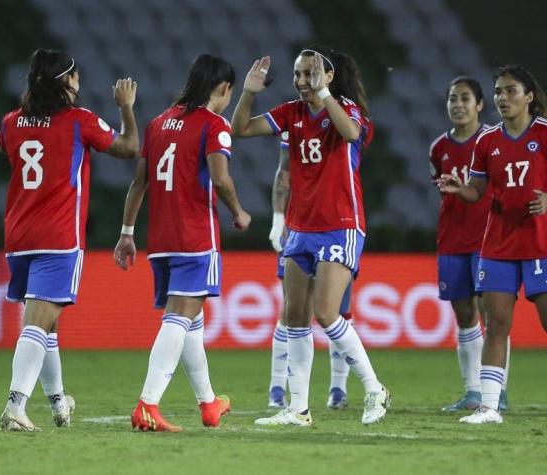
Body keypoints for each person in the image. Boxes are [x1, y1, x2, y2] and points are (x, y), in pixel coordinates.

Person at [232, 45, 391, 426]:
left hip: (340, 223)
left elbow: (351, 133)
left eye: (311, 73)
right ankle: (298, 408)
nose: (303, 81)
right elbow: (239, 129)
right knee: (295, 319)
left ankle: (374, 388)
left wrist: (324, 94)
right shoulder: (291, 113)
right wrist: (249, 91)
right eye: (299, 75)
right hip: (300, 228)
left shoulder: (348, 111)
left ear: (329, 76)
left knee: (326, 313)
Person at [437, 64, 547, 424]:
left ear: (528, 96)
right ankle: (489, 407)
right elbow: (478, 191)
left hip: (543, 242)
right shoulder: (487, 141)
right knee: (496, 324)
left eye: (510, 91)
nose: (502, 98)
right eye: (498, 91)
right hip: (498, 243)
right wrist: (459, 190)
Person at [0, 49, 139, 431]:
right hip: (58, 236)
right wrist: (126, 107)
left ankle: (59, 401)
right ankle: (15, 404)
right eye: (74, 77)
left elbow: (3, 147)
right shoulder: (79, 121)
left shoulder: (11, 122)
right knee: (39, 324)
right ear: (65, 83)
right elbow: (129, 148)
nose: (79, 83)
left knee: (47, 323)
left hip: (19, 235)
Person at [114, 54, 250, 432]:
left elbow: (138, 183)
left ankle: (208, 403)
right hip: (195, 237)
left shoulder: (158, 124)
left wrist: (127, 232)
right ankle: (148, 403)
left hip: (161, 239)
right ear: (223, 89)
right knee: (179, 317)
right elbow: (221, 180)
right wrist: (238, 212)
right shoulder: (214, 125)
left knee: (191, 319)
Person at [429, 77, 510, 412]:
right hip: (452, 239)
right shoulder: (439, 148)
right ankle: (473, 391)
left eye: (465, 98)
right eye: (452, 98)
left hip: (491, 239)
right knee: (464, 315)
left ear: (479, 105)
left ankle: (497, 391)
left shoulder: (494, 142)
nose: (457, 105)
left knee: (494, 317)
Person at [267, 132, 353, 410]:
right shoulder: (293, 125)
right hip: (298, 228)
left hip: (336, 226)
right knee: (292, 309)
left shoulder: (343, 123)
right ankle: (277, 387)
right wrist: (278, 220)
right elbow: (284, 173)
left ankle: (338, 388)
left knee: (338, 310)